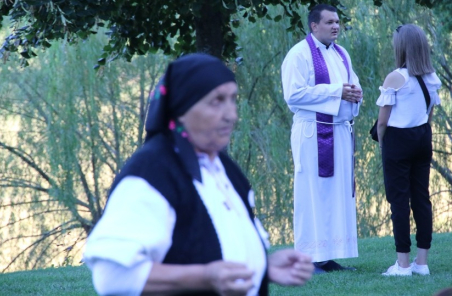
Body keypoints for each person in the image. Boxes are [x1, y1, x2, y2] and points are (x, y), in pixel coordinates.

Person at [84, 54, 314, 296]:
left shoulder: (224, 168)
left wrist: (264, 266)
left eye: (233, 99)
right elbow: (111, 276)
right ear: (182, 107)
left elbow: (218, 247)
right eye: (216, 101)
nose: (231, 115)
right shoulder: (152, 173)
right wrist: (204, 277)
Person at [281, 4, 363, 273]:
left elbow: (352, 86)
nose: (336, 26)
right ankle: (309, 258)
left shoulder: (342, 54)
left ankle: (328, 256)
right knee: (313, 194)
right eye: (329, 22)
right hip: (312, 133)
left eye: (338, 21)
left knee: (334, 194)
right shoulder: (299, 55)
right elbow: (293, 95)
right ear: (314, 26)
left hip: (338, 131)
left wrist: (354, 95)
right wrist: (337, 92)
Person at [376, 24, 442, 276]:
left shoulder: (396, 77)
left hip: (398, 140)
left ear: (401, 47)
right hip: (423, 137)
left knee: (399, 201)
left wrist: (383, 143)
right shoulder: (431, 77)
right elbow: (430, 112)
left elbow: (383, 121)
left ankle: (402, 264)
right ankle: (422, 262)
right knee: (422, 198)